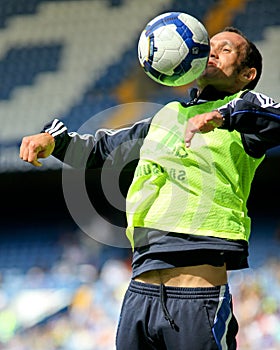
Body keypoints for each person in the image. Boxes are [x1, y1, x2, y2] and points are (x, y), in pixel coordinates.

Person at [19, 26, 280, 350]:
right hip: (139, 296)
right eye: (208, 45)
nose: (211, 51)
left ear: (246, 74)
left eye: (226, 50)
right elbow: (102, 149)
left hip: (197, 298)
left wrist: (223, 116)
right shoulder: (166, 116)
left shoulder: (246, 112)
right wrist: (55, 141)